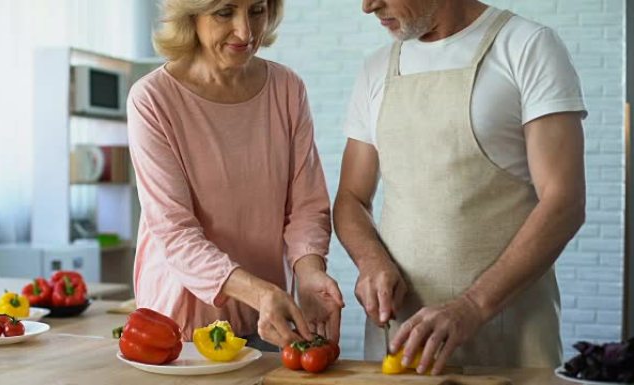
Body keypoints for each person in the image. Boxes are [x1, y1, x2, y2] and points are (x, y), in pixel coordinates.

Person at [334, 0, 586, 373]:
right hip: (404, 337)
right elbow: (351, 198)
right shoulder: (376, 70)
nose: (368, 6)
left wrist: (472, 306)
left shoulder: (527, 46)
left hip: (509, 338)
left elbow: (564, 202)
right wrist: (370, 260)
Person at [127, 0, 344, 351]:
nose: (246, 31)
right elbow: (174, 231)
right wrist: (260, 292)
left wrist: (309, 273)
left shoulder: (287, 88)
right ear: (190, 16)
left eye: (257, 11)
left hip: (269, 319)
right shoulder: (152, 99)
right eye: (225, 12)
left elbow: (306, 206)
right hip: (181, 328)